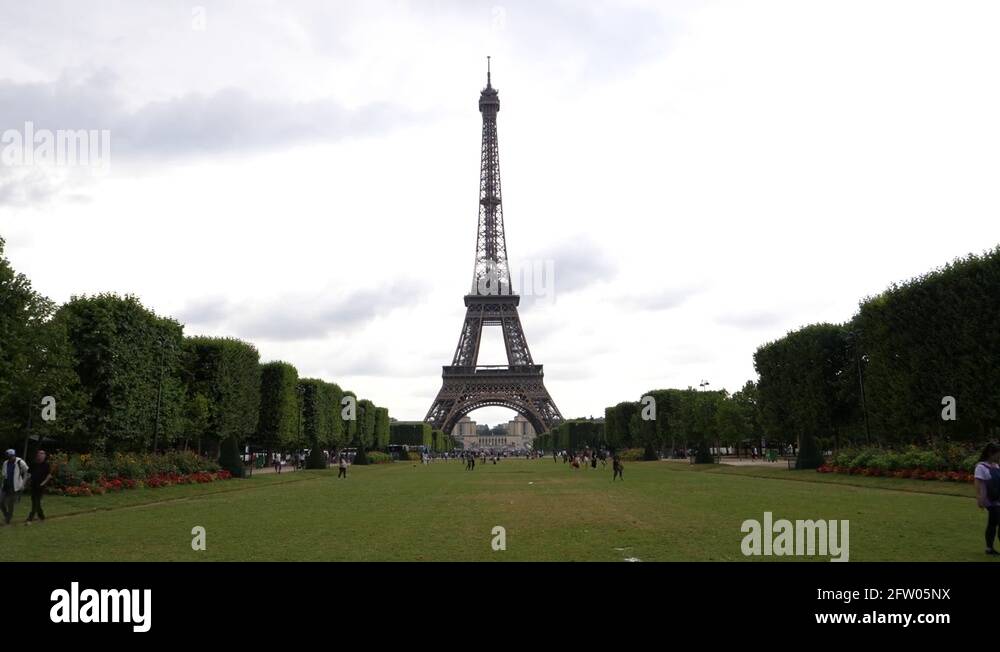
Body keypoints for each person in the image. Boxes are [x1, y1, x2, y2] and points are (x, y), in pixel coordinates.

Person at [974, 442, 1000, 555]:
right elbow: (978, 483)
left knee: (992, 523)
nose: (998, 456)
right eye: (997, 454)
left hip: (998, 497)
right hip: (989, 499)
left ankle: (989, 548)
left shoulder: (997, 466)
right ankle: (989, 548)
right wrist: (980, 498)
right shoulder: (981, 467)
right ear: (990, 453)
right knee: (995, 522)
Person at [0, 449, 29, 525]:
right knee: (1, 502)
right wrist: (2, 484)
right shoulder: (5, 463)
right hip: (5, 486)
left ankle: (8, 519)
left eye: (9, 456)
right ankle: (7, 515)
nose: (8, 457)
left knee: (10, 503)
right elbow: (3, 475)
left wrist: (23, 484)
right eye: (7, 456)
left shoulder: (20, 462)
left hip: (15, 486)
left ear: (13, 455)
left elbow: (27, 473)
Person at [27, 449, 51, 523]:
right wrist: (27, 482)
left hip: (41, 486)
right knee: (35, 502)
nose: (40, 455)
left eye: (42, 454)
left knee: (36, 502)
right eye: (39, 454)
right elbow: (29, 473)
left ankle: (30, 519)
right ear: (37, 455)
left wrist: (43, 483)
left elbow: (49, 476)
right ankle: (42, 517)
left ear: (44, 456)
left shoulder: (46, 465)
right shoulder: (34, 463)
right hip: (33, 485)